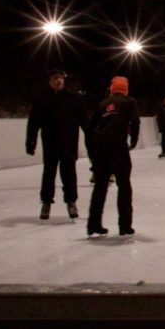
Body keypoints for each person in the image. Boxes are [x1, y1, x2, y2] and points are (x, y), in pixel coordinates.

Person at [26, 69, 89, 220]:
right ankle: (46, 202)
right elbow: (33, 122)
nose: (58, 81)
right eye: (55, 78)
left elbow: (84, 120)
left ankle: (71, 202)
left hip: (69, 142)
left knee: (69, 174)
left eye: (60, 78)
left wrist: (91, 137)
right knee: (49, 173)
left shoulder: (73, 98)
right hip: (50, 143)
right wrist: (31, 141)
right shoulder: (42, 99)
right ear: (49, 81)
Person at [86, 76, 140, 237]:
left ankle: (93, 224)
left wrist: (92, 151)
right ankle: (124, 226)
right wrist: (134, 141)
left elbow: (90, 127)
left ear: (112, 89)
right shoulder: (129, 102)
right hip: (118, 147)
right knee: (124, 186)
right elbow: (135, 122)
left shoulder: (103, 104)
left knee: (100, 187)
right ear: (125, 89)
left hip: (100, 149)